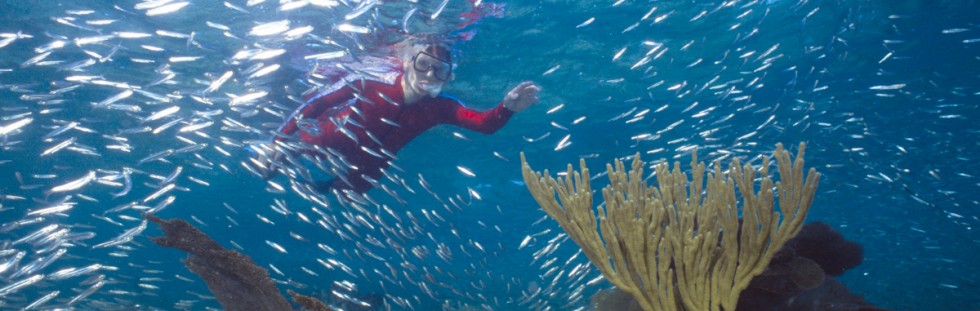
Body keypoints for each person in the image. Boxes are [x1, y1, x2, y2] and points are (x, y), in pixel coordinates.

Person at [252, 42, 540, 194]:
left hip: (373, 161)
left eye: (439, 70)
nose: (429, 74)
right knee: (281, 156)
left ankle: (318, 190)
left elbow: (484, 124)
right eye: (424, 64)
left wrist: (507, 107)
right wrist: (277, 142)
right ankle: (272, 168)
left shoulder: (441, 107)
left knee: (353, 193)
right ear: (407, 62)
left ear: (448, 78)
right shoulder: (371, 81)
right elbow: (316, 104)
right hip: (332, 133)